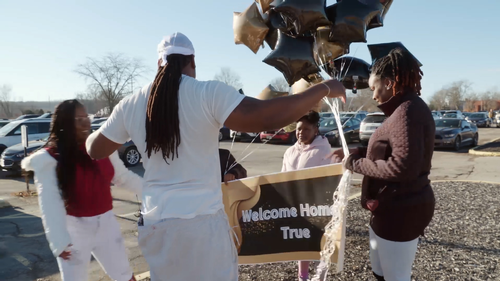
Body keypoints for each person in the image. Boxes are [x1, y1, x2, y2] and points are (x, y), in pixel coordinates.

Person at [85, 32, 346, 281]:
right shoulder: (207, 93)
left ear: (158, 64)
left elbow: (95, 149)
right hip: (202, 225)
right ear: (193, 61)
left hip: (156, 226)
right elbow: (265, 116)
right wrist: (322, 88)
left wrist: (84, 132)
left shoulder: (131, 103)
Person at [333, 48, 435, 281]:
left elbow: (402, 167)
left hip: (402, 211)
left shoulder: (407, 113)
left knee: (395, 277)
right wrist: (358, 152)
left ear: (388, 83)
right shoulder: (404, 109)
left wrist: (356, 164)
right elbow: (391, 152)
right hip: (390, 208)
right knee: (381, 272)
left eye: (373, 88)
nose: (373, 96)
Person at [21, 100, 141, 281]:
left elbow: (122, 177)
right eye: (78, 119)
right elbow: (49, 201)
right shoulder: (50, 158)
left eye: (86, 117)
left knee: (123, 274)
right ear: (65, 124)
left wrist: (153, 191)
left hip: (107, 224)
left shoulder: (101, 147)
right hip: (73, 230)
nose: (86, 123)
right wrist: (58, 241)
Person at [281, 110, 333, 281]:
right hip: (296, 205)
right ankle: (302, 276)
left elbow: (331, 179)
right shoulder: (289, 151)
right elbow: (282, 176)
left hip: (318, 206)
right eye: (298, 129)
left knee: (321, 242)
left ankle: (321, 275)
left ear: (316, 130)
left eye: (306, 129)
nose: (301, 133)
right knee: (301, 240)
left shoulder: (324, 150)